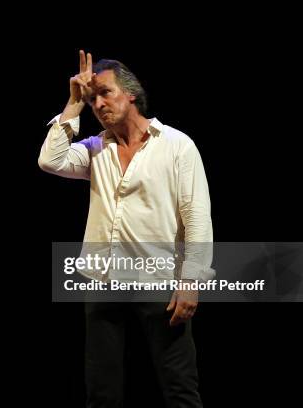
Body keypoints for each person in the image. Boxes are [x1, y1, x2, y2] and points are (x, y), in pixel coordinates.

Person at [38, 50, 214, 407]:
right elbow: (49, 160)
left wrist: (191, 280)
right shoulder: (93, 149)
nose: (98, 104)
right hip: (103, 282)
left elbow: (196, 216)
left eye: (105, 93)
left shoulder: (177, 146)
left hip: (159, 281)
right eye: (92, 99)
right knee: (102, 391)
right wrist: (73, 104)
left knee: (179, 387)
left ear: (131, 93)